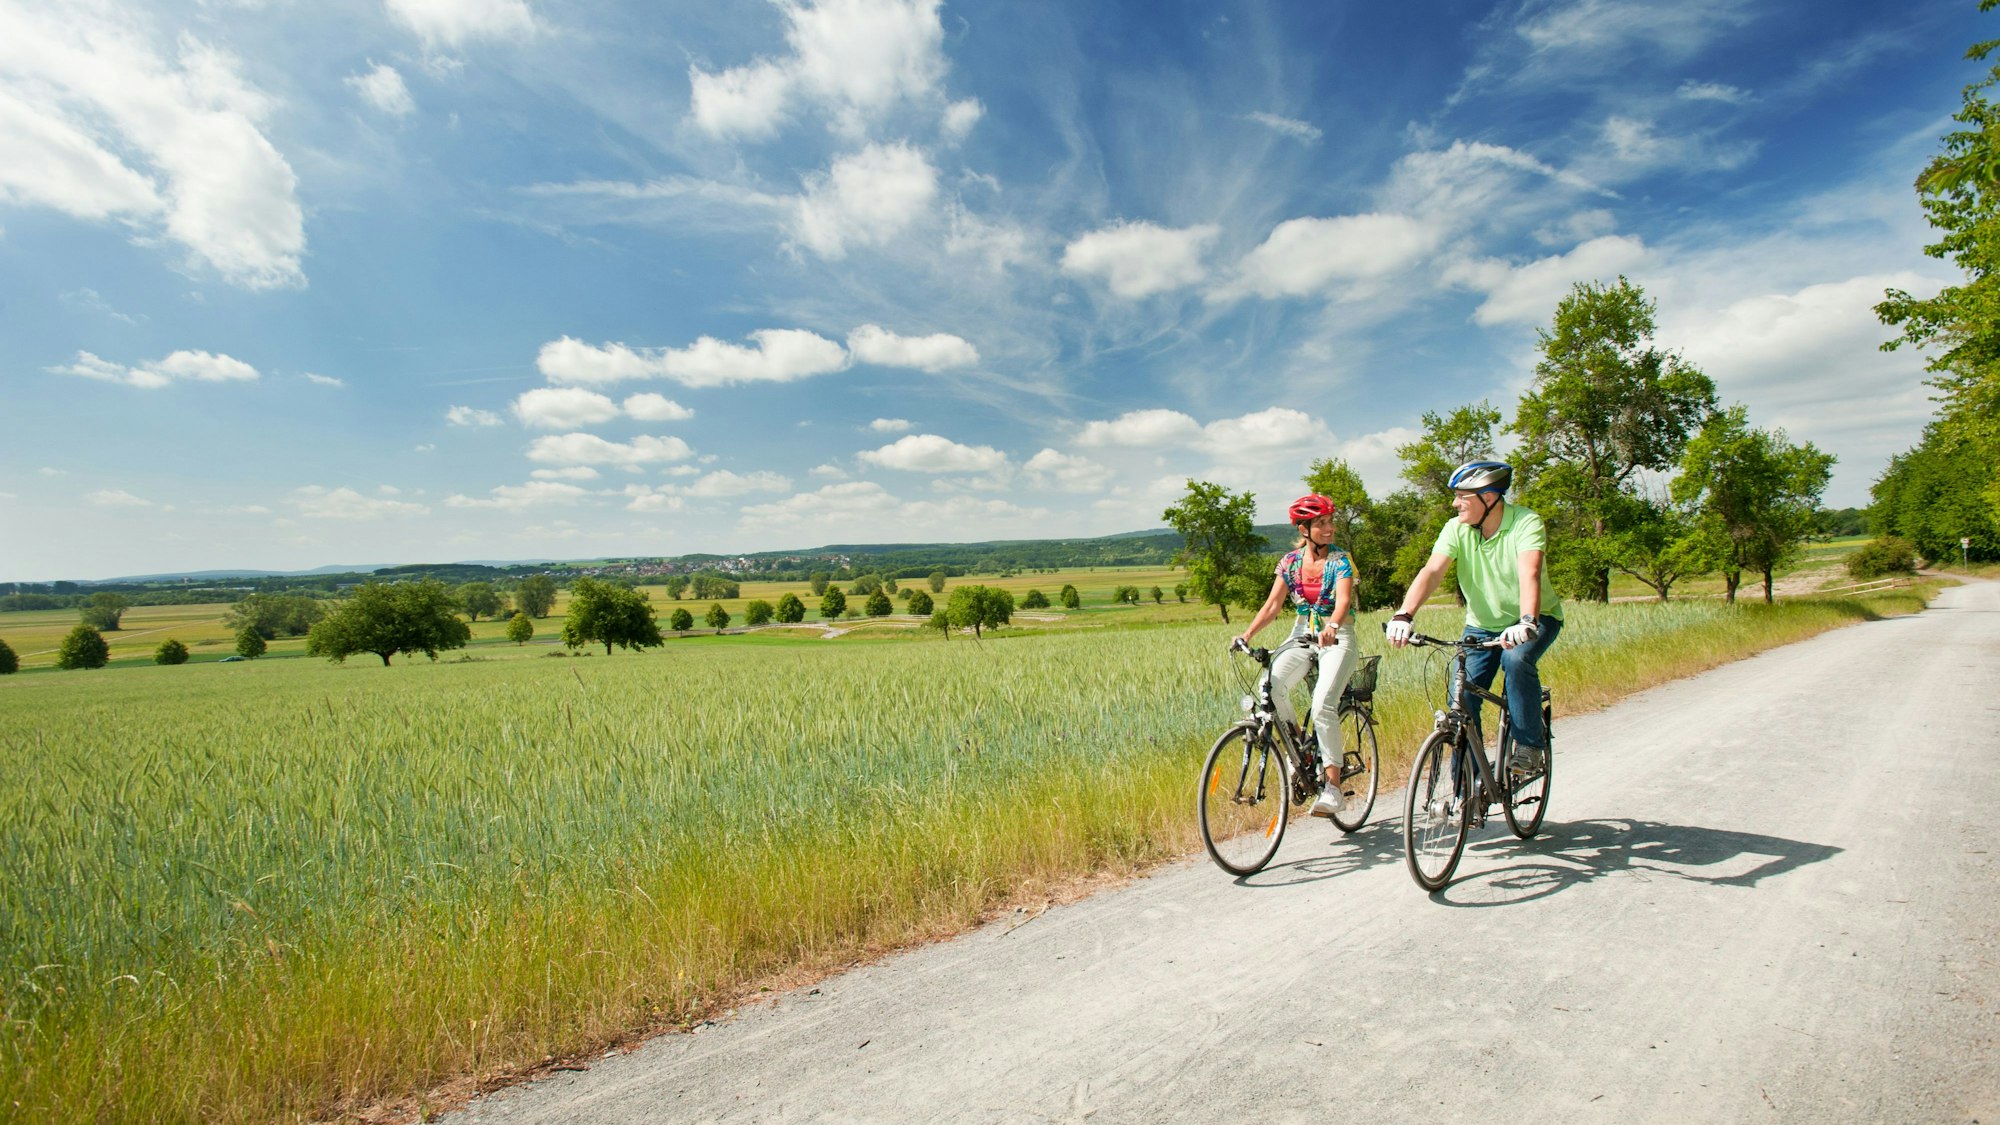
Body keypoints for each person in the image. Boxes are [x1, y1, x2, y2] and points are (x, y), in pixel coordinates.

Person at [1384, 460, 1563, 772]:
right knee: (1460, 690)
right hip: (1481, 626)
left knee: (1517, 661)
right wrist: (1404, 614)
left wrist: (1527, 621)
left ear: (1489, 498)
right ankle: (1468, 784)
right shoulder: (1456, 529)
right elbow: (1432, 571)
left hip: (1536, 617)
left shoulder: (1525, 522)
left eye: (1462, 496)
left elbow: (1529, 572)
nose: (1455, 503)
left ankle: (1529, 747)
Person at [1233, 494, 1361, 818]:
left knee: (1322, 704)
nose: (1329, 528)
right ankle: (1300, 751)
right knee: (1271, 686)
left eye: (1330, 522)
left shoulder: (1340, 560)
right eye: (1321, 524)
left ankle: (1333, 787)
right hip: (1303, 632)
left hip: (1337, 634)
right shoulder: (1290, 563)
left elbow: (1344, 600)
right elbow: (1273, 605)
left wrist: (1332, 624)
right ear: (1304, 529)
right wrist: (1247, 635)